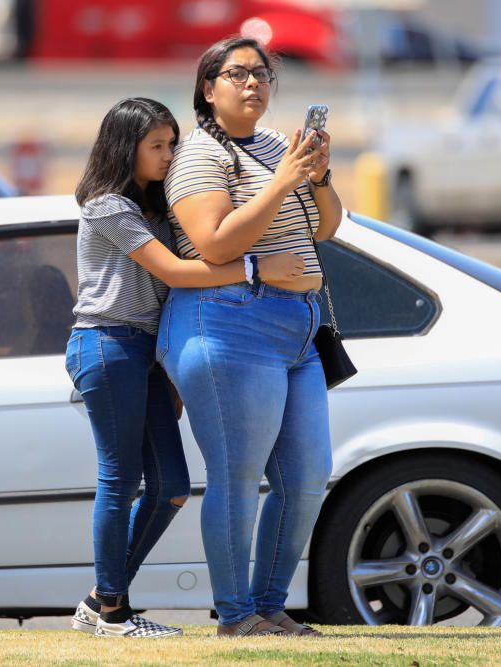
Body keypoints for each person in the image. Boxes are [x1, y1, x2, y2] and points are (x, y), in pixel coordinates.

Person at [66, 97, 305, 639]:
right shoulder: (107, 206)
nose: (169, 155)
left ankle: (100, 598)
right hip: (106, 345)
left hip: (145, 354)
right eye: (157, 146)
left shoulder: (152, 207)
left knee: (172, 486)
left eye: (173, 143)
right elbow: (176, 272)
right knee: (120, 480)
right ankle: (111, 614)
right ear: (125, 148)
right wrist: (256, 267)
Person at [158, 37, 343, 637]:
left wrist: (315, 176)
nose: (253, 84)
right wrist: (282, 181)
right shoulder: (198, 156)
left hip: (296, 332)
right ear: (208, 89)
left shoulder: (271, 146)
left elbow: (328, 226)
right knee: (239, 476)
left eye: (261, 74)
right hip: (229, 322)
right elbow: (214, 243)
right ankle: (235, 616)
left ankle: (268, 606)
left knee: (308, 474)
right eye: (236, 74)